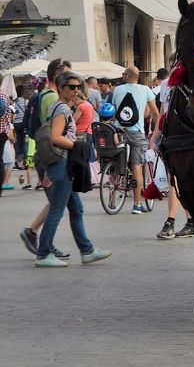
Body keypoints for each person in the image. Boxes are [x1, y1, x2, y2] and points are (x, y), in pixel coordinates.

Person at [34, 71, 111, 267]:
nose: (76, 90)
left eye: (78, 87)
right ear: (61, 88)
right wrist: (77, 145)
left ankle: (87, 251)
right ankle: (43, 254)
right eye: (72, 87)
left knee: (76, 209)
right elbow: (56, 137)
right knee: (57, 211)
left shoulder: (63, 107)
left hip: (63, 163)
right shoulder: (60, 109)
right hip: (61, 163)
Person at [19, 58, 72, 258]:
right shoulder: (52, 99)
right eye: (66, 76)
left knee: (57, 203)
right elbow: (50, 134)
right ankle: (40, 242)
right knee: (57, 204)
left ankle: (38, 238)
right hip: (52, 158)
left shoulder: (45, 95)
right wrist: (50, 165)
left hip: (49, 157)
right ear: (57, 76)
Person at [150, 59, 194, 240]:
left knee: (178, 182)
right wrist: (153, 138)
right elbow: (162, 113)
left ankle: (176, 222)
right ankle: (184, 221)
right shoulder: (166, 85)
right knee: (175, 181)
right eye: (172, 64)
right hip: (170, 137)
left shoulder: (192, 83)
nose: (174, 67)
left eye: (177, 63)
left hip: (186, 138)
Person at [111, 66, 159, 214]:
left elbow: (114, 110)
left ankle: (112, 199)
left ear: (126, 76)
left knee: (117, 160)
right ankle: (137, 204)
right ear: (138, 76)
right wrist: (155, 128)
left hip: (119, 132)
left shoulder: (117, 90)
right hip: (137, 133)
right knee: (137, 164)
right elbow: (156, 112)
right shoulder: (145, 90)